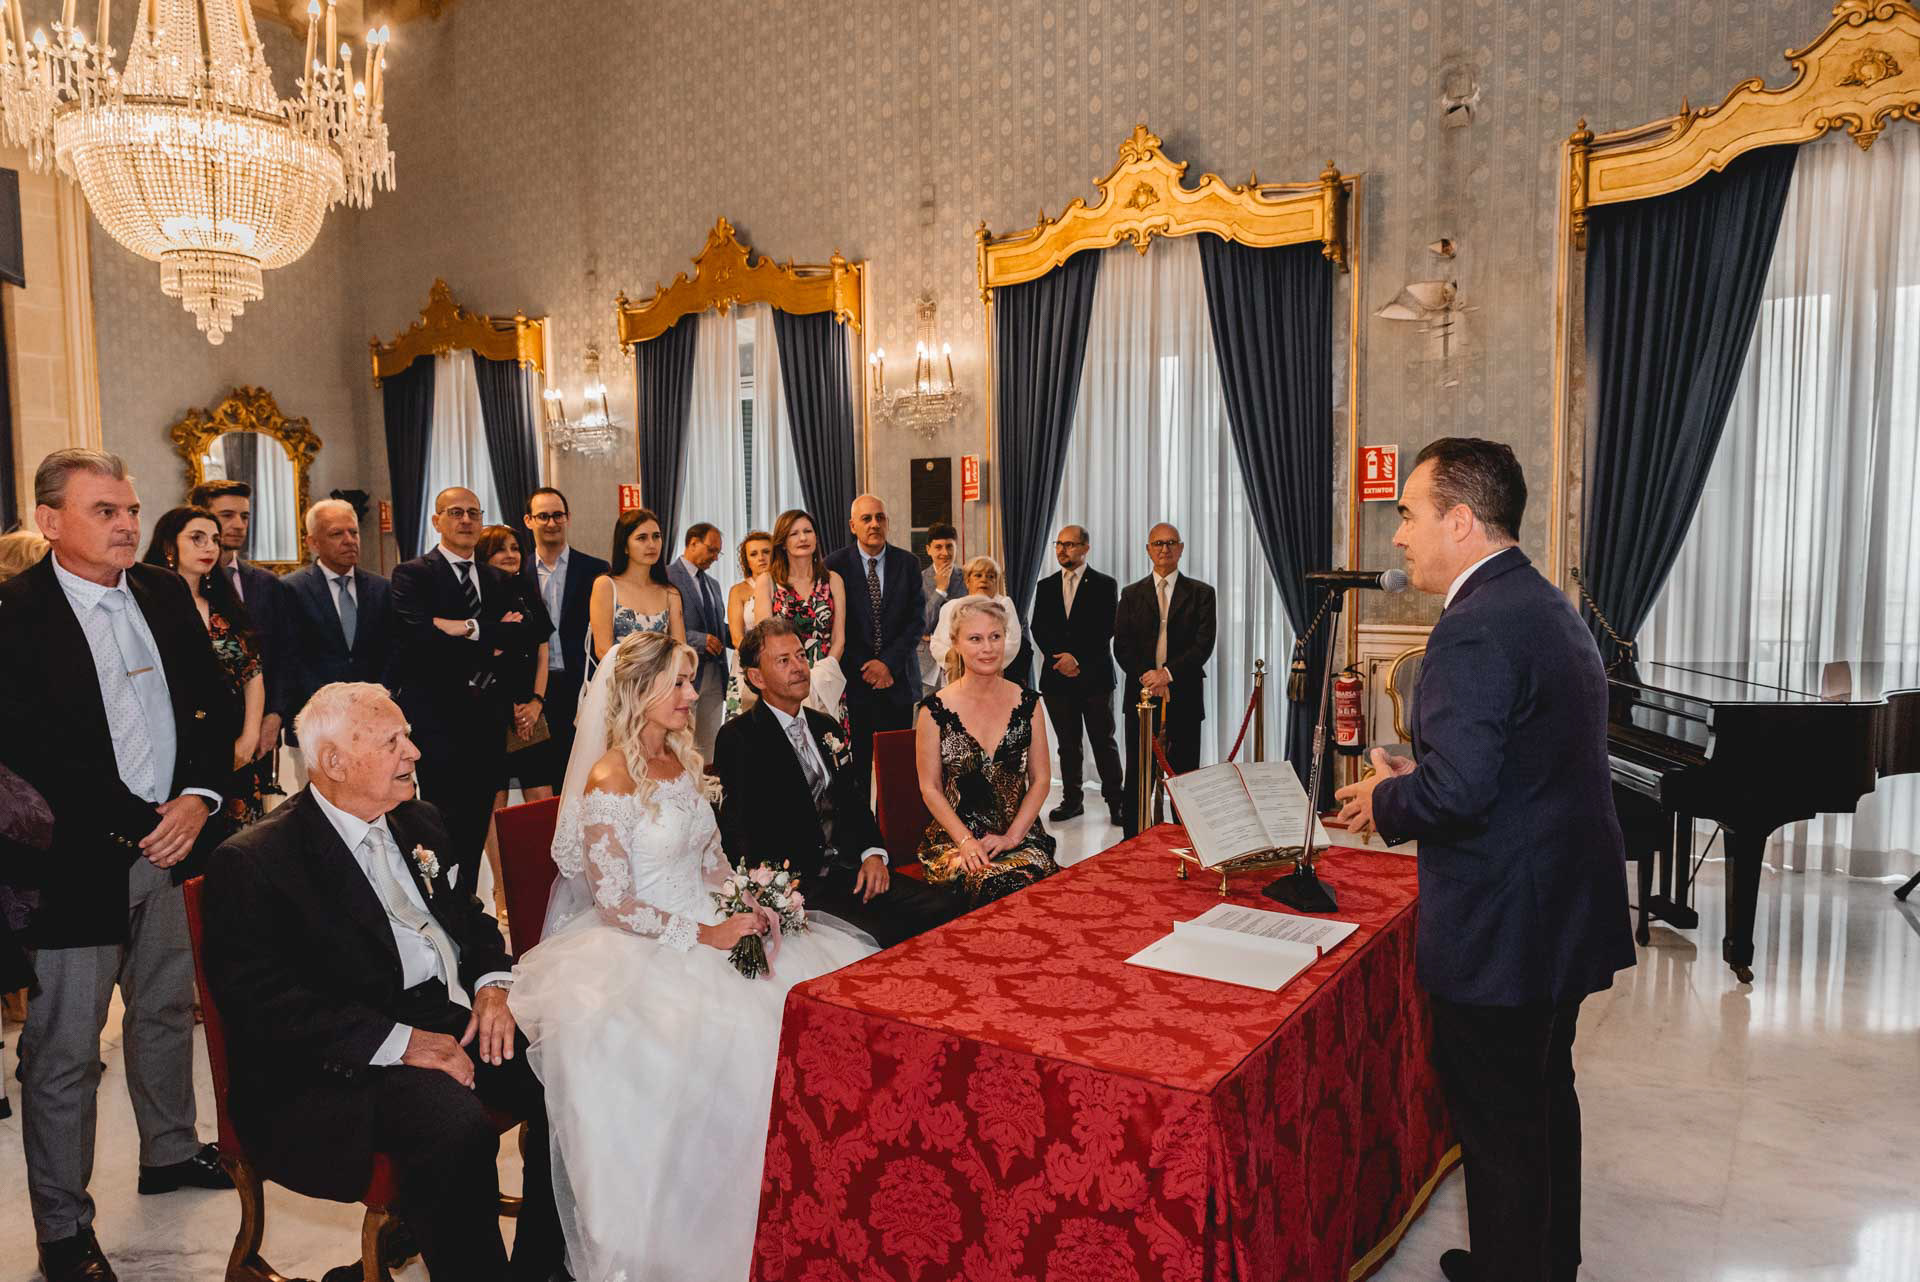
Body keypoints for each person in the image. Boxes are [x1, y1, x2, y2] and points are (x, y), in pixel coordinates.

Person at [1334, 438, 1635, 1282]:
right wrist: (1422, 773)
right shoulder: (1544, 604)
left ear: (1460, 521)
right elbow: (1515, 759)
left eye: (1408, 515)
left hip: (1506, 924)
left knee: (1499, 1123)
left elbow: (1463, 794)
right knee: (1545, 1101)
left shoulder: (1470, 630)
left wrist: (1383, 799)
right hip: (1561, 908)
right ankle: (1542, 1262)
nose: (1398, 537)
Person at [507, 630, 876, 1282]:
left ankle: (794, 1212)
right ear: (639, 691)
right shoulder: (610, 777)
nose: (690, 695)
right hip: (638, 947)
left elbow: (710, 861)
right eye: (677, 683)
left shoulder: (683, 758)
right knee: (714, 1047)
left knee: (797, 1014)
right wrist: (707, 937)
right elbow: (616, 902)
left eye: (689, 681)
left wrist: (749, 905)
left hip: (712, 922)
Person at [201, 682, 564, 1282]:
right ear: (334, 762)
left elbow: (469, 920)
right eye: (393, 740)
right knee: (455, 1125)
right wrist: (403, 1043)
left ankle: (541, 1265)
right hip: (332, 1062)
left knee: (569, 1072)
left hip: (446, 1015)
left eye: (409, 736)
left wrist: (493, 987)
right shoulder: (257, 861)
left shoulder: (418, 819)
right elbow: (265, 1004)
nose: (414, 752)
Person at [1, 450, 234, 1282]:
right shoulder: (13, 612)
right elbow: (32, 751)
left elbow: (213, 704)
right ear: (50, 521)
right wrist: (150, 821)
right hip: (73, 867)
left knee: (168, 1008)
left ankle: (169, 1152)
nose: (129, 524)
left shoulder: (165, 593)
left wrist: (199, 798)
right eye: (105, 511)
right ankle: (63, 1230)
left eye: (132, 508)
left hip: (175, 846)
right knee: (63, 1052)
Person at [714, 619, 960, 948]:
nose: (799, 667)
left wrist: (873, 855)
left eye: (801, 656)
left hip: (851, 870)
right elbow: (737, 828)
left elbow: (854, 800)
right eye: (783, 661)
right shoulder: (739, 738)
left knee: (947, 909)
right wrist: (768, 891)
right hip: (799, 886)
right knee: (883, 936)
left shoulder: (824, 725)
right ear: (756, 677)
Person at [385, 486, 537, 889]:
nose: (466, 520)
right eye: (455, 512)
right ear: (437, 521)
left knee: (476, 823)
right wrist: (492, 636)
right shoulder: (412, 574)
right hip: (437, 720)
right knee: (439, 821)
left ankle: (467, 906)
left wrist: (463, 628)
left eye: (473, 512)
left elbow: (524, 638)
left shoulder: (498, 578)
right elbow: (417, 638)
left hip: (488, 719)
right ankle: (442, 903)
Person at [914, 597, 1059, 907]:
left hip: (1021, 836)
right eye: (975, 639)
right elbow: (930, 788)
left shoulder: (1029, 704)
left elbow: (1042, 779)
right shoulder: (933, 710)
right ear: (956, 642)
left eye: (995, 636)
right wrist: (965, 841)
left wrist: (1012, 837)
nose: (988, 648)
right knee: (987, 880)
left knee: (1026, 879)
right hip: (954, 841)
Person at [142, 506, 266, 827]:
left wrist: (249, 737)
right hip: (178, 744)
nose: (209, 547)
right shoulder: (147, 603)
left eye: (214, 540)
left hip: (234, 740)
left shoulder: (225, 604)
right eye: (197, 538)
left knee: (239, 844)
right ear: (170, 546)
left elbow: (252, 672)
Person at [281, 499, 395, 788]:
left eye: (353, 532)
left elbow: (392, 652)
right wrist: (329, 707)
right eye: (336, 534)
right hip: (318, 723)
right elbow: (290, 659)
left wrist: (376, 699)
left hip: (374, 719)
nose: (349, 541)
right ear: (313, 542)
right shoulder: (290, 589)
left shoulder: (381, 588)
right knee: (322, 808)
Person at [1113, 523, 1216, 837]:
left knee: (1184, 776)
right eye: (1157, 543)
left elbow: (1204, 644)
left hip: (1183, 695)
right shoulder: (1131, 594)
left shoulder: (1202, 593)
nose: (1164, 549)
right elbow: (1122, 645)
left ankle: (1188, 840)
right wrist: (1151, 678)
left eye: (1171, 543)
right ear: (1148, 549)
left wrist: (1167, 675)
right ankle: (1131, 843)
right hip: (1141, 696)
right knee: (1138, 776)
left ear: (1181, 548)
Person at [476, 525, 556, 919]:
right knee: (497, 803)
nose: (509, 555)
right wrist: (510, 707)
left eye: (514, 548)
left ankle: (545, 885)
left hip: (532, 708)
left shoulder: (529, 594)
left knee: (542, 798)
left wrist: (536, 703)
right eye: (499, 549)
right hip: (491, 712)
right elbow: (480, 655)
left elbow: (543, 653)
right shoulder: (477, 596)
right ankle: (502, 889)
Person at [824, 494, 926, 792]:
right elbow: (834, 624)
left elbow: (916, 621)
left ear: (887, 523)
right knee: (855, 771)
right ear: (852, 525)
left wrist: (887, 664)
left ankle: (892, 834)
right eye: (866, 519)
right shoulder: (834, 565)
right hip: (854, 686)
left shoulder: (908, 563)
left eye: (879, 518)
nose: (874, 524)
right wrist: (867, 668)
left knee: (896, 770)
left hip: (897, 683)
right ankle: (861, 835)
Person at [189, 479, 291, 774]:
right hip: (197, 730)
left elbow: (283, 655)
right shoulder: (173, 584)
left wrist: (274, 715)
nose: (238, 524)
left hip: (257, 725)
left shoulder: (266, 584)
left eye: (244, 516)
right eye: (227, 515)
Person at [1030, 524, 1126, 826]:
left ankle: (1116, 801)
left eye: (1070, 544)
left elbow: (1107, 627)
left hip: (1094, 676)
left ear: (1085, 548)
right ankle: (1072, 801)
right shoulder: (1045, 586)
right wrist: (1061, 659)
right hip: (1057, 678)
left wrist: (1077, 658)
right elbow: (1038, 628)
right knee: (1067, 744)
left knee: (1103, 741)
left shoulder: (1104, 584)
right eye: (1059, 544)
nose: (1063, 550)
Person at [520, 486, 609, 791]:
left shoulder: (596, 570)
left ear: (568, 518)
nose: (551, 522)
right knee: (541, 780)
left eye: (557, 515)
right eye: (542, 516)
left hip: (582, 686)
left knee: (585, 774)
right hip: (533, 690)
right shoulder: (516, 572)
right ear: (529, 521)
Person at [753, 507, 847, 720]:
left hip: (827, 679)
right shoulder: (767, 582)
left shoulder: (833, 580)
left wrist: (819, 678)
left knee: (828, 746)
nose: (803, 538)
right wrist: (794, 676)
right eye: (794, 534)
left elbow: (839, 638)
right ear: (782, 543)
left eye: (808, 531)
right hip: (783, 680)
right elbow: (764, 641)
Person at [666, 521, 730, 761]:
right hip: (685, 674)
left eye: (718, 552)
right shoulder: (667, 576)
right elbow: (664, 626)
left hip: (715, 673)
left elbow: (718, 628)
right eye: (711, 550)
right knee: (682, 739)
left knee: (710, 740)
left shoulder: (712, 585)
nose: (714, 558)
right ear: (692, 542)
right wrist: (699, 640)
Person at [589, 506, 685, 662]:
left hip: (662, 681)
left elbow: (680, 649)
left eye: (656, 536)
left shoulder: (670, 592)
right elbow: (602, 650)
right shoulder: (606, 585)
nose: (652, 544)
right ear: (625, 546)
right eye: (642, 538)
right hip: (620, 681)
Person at [927, 555, 1026, 684]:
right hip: (956, 677)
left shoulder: (1003, 604)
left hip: (993, 675)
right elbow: (936, 643)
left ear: (997, 582)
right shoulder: (951, 606)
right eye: (978, 575)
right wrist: (952, 656)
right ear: (967, 581)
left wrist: (982, 662)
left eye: (991, 576)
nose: (984, 580)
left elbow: (1012, 642)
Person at [724, 529, 773, 716]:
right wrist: (761, 663)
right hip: (748, 662)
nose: (761, 557)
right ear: (746, 560)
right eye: (754, 554)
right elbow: (736, 638)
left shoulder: (784, 586)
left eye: (766, 552)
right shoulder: (738, 591)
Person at [918, 521, 963, 691]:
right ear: (928, 549)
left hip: (962, 662)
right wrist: (940, 591)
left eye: (949, 547)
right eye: (938, 547)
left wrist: (935, 634)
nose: (945, 553)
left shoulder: (968, 578)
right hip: (926, 666)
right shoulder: (917, 580)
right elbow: (921, 626)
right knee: (924, 714)